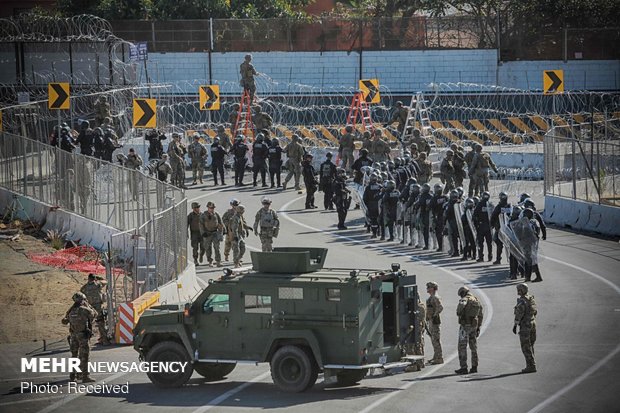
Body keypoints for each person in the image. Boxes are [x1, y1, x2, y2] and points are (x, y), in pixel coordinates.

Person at [62, 292, 97, 383]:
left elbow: (64, 321)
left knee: (74, 356)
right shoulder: (84, 309)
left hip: (73, 336)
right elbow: (94, 314)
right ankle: (85, 376)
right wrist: (88, 306)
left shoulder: (71, 310)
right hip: (82, 336)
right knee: (84, 356)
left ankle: (73, 376)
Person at [455, 286, 483, 374]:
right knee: (473, 346)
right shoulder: (476, 300)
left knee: (462, 346)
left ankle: (463, 367)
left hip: (465, 326)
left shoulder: (464, 299)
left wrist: (459, 312)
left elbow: (459, 310)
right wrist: (478, 327)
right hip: (474, 325)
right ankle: (474, 366)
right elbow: (480, 315)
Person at [513, 283, 538, 373]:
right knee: (531, 345)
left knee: (526, 346)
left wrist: (515, 325)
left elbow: (518, 315)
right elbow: (535, 311)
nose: (517, 291)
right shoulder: (531, 299)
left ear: (521, 290)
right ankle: (532, 364)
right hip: (532, 323)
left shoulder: (522, 301)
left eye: (519, 289)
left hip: (525, 326)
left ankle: (531, 366)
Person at [80, 274, 110, 345]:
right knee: (101, 323)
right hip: (98, 307)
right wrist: (99, 278)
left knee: (88, 324)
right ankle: (104, 340)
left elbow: (82, 293)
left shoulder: (84, 287)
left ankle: (87, 340)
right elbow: (106, 282)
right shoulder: (98, 284)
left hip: (89, 307)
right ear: (94, 278)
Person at [490, 192, 511, 265]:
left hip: (508, 229)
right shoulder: (499, 207)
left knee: (509, 245)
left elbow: (512, 216)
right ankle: (498, 259)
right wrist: (492, 225)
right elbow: (493, 216)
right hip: (500, 228)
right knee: (499, 244)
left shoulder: (509, 206)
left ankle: (511, 259)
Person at [200, 201, 224, 266]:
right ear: (208, 208)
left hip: (215, 233)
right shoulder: (203, 215)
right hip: (207, 233)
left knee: (217, 247)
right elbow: (201, 225)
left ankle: (218, 261)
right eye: (210, 208)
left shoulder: (216, 214)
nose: (212, 209)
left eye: (213, 208)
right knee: (208, 248)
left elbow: (221, 223)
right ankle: (210, 261)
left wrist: (222, 231)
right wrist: (203, 233)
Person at [425, 282, 444, 364]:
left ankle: (439, 358)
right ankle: (436, 356)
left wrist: (434, 316)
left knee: (436, 340)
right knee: (433, 340)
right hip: (431, 321)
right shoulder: (431, 297)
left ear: (433, 288)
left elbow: (440, 307)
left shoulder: (435, 297)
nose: (427, 289)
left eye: (429, 287)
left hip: (434, 322)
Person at [473, 191, 493, 262]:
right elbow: (474, 215)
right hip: (485, 226)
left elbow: (474, 215)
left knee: (484, 243)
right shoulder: (486, 204)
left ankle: (484, 256)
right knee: (486, 242)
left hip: (484, 226)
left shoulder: (484, 204)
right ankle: (487, 256)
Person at [363, 173, 382, 237]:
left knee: (373, 219)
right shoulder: (380, 186)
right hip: (379, 205)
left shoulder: (368, 187)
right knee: (379, 218)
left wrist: (367, 205)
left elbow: (364, 198)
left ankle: (374, 233)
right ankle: (379, 231)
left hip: (371, 205)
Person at [430, 183, 447, 252]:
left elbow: (430, 207)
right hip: (444, 216)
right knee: (443, 232)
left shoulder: (434, 198)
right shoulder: (445, 197)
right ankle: (443, 246)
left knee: (439, 232)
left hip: (439, 217)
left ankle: (441, 247)